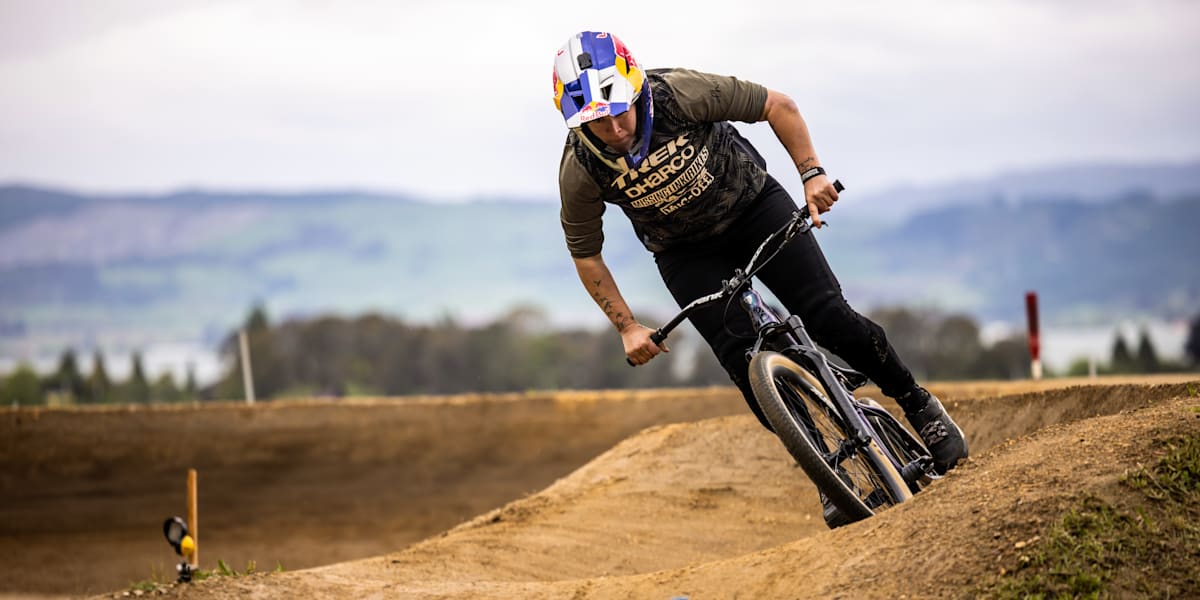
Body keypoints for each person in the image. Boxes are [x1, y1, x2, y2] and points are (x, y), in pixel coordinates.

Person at [552, 31, 968, 520]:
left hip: (754, 208)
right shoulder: (580, 169)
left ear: (636, 89)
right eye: (597, 122)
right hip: (685, 253)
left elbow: (777, 105)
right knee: (742, 362)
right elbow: (586, 254)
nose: (615, 129)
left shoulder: (681, 94)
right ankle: (827, 467)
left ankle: (917, 403)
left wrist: (811, 174)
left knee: (828, 316)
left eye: (619, 112)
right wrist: (626, 326)